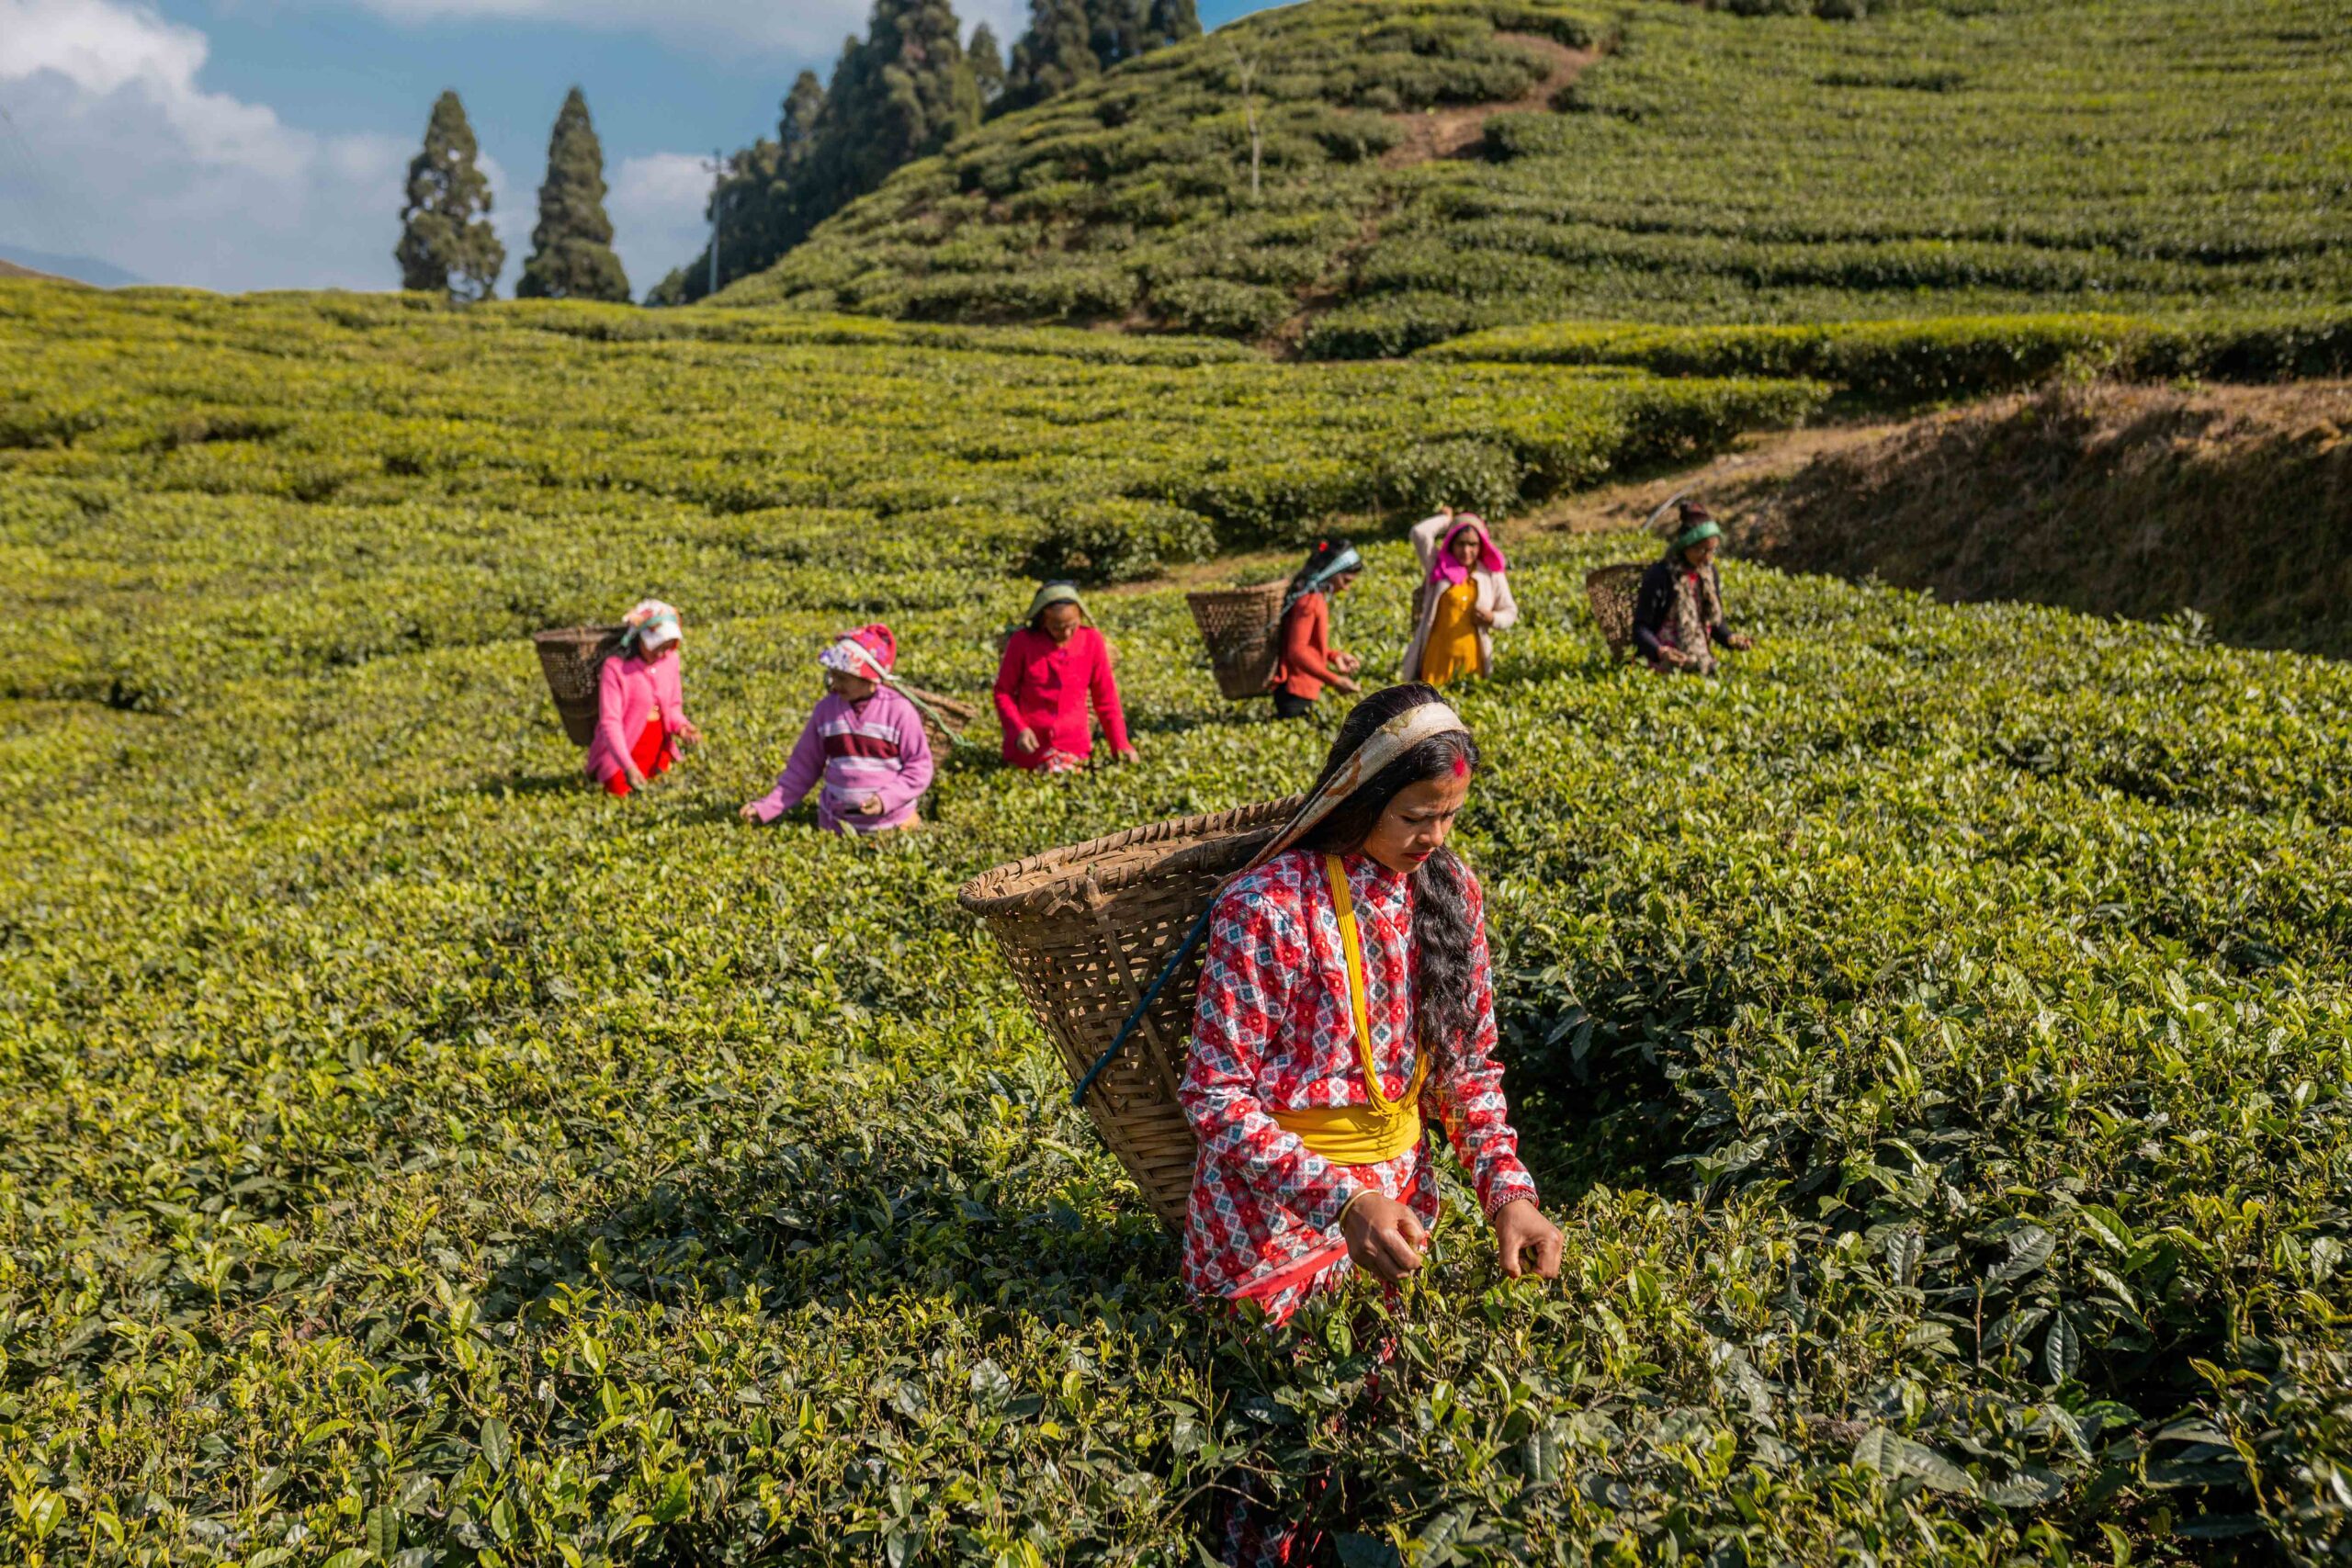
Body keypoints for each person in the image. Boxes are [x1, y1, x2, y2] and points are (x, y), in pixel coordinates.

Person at [1180, 682, 1563, 1326]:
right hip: (1267, 1231)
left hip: (1403, 1216)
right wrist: (1344, 1200)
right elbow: (1214, 1092)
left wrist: (1507, 1194)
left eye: (1449, 815)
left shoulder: (1451, 891)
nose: (1434, 838)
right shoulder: (1268, 905)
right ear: (1358, 800)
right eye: (1414, 818)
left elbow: (1464, 1069)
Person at [740, 623, 933, 834]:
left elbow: (919, 768)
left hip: (895, 827)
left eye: (843, 677)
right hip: (836, 828)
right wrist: (767, 807)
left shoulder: (899, 710)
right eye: (833, 675)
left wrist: (885, 799)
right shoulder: (826, 711)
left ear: (869, 678)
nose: (834, 684)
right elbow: (803, 767)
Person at [993, 581, 1135, 773]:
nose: (1066, 633)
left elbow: (1106, 700)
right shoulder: (1022, 642)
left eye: (1072, 626)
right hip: (1029, 753)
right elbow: (1003, 692)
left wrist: (1121, 745)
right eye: (1057, 628)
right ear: (1043, 620)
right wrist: (1018, 729)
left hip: (1074, 750)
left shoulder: (1092, 641)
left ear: (1081, 616)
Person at [584, 598, 701, 796]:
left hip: (657, 752)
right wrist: (628, 766)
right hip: (621, 755)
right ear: (639, 639)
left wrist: (683, 728)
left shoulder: (670, 661)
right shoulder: (615, 668)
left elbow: (672, 707)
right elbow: (610, 723)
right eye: (657, 646)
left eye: (668, 645)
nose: (662, 652)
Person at [1633, 502, 1753, 677]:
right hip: (1663, 668)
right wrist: (1661, 651)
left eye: (1712, 551)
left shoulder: (1709, 574)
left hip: (1701, 663)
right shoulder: (1660, 574)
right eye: (1701, 550)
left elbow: (1715, 622)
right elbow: (1640, 628)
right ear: (1685, 546)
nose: (1707, 557)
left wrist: (1730, 639)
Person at [1399, 512, 1517, 687]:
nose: (1466, 551)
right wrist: (1446, 520)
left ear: (1481, 545)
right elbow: (1419, 533)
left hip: (1473, 662)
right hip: (1435, 661)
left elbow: (1510, 612)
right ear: (1451, 543)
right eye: (1460, 543)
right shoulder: (1438, 566)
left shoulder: (1490, 574)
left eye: (1473, 544)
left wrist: (1492, 618)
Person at [1268, 538, 1363, 719]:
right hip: (1294, 691)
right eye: (1345, 580)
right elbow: (1296, 652)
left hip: (1302, 689)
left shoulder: (1312, 597)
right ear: (1332, 571)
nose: (1345, 587)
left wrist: (1334, 656)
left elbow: (1305, 644)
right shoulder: (1309, 601)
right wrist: (1335, 680)